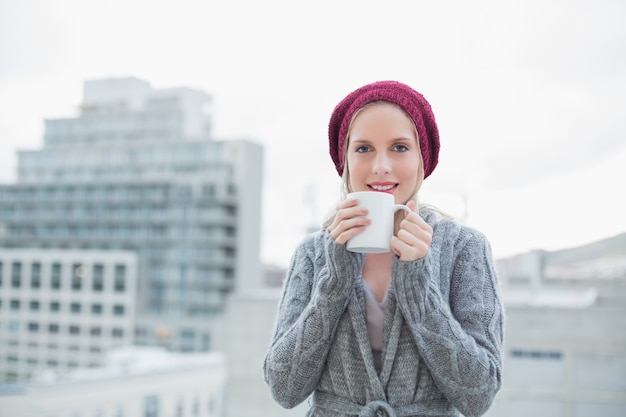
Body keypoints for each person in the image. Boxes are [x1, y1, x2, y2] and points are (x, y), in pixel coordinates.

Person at [263, 80, 504, 417]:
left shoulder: (464, 248)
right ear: (344, 160)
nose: (380, 167)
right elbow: (284, 388)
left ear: (424, 158)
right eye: (363, 149)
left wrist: (418, 286)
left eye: (400, 147)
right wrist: (334, 281)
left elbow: (479, 395)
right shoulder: (314, 253)